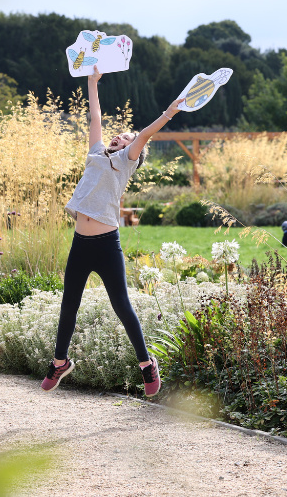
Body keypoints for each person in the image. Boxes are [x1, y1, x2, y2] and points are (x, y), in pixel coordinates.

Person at [41, 66, 184, 397]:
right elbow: (96, 117)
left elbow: (146, 135)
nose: (123, 137)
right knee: (69, 304)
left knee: (121, 305)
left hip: (106, 245)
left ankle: (147, 365)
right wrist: (92, 82)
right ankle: (60, 361)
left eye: (129, 138)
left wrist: (168, 113)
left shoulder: (126, 162)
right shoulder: (95, 152)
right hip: (81, 243)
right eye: (122, 135)